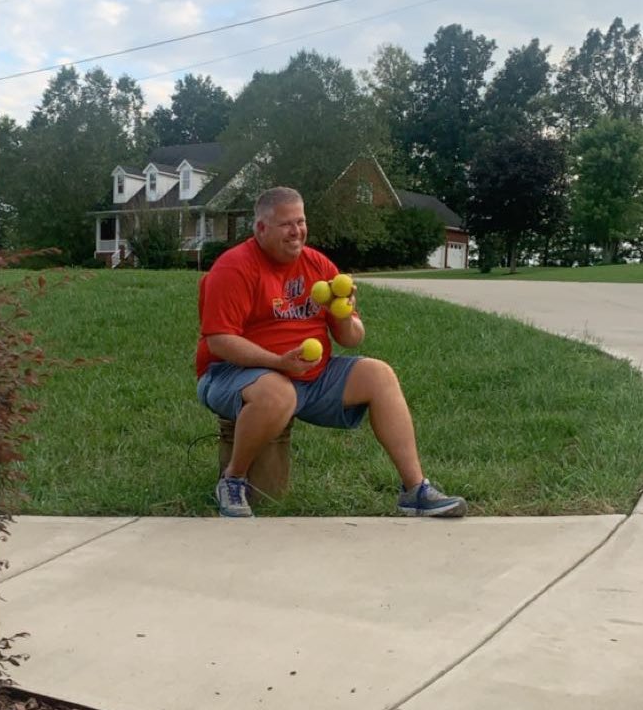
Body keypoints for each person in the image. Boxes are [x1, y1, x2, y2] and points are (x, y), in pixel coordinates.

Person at [196, 186, 468, 519]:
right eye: (286, 224)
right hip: (230, 374)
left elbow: (353, 339)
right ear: (260, 228)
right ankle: (233, 479)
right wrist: (277, 363)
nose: (297, 232)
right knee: (278, 393)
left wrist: (343, 311)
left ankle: (415, 491)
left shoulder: (319, 266)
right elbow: (219, 341)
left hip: (310, 378)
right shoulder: (234, 267)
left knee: (379, 375)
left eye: (301, 221)